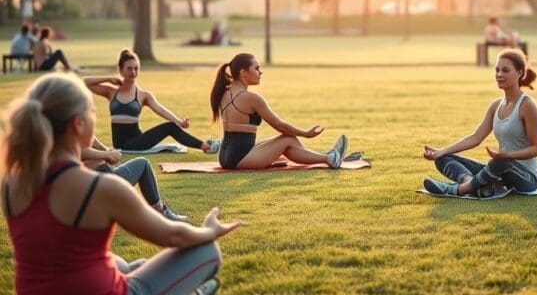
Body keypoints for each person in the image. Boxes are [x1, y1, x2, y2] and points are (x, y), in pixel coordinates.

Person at [0, 73, 240, 295]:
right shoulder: (101, 188)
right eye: (92, 113)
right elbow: (174, 235)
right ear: (78, 124)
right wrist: (210, 231)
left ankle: (171, 291)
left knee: (124, 264)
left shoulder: (11, 184)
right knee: (206, 251)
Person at [422, 48, 537, 196]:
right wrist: (440, 151)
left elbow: (536, 148)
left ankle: (459, 189)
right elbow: (475, 138)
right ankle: (476, 185)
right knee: (443, 159)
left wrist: (508, 155)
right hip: (500, 172)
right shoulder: (496, 105)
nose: (499, 75)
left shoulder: (527, 106)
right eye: (497, 70)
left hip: (527, 178)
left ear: (519, 73)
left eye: (505, 70)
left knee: (500, 162)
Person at [209, 53, 348, 170]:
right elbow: (280, 126)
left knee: (287, 142)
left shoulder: (223, 93)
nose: (260, 72)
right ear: (243, 73)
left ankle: (326, 156)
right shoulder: (251, 98)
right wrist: (306, 134)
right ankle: (330, 158)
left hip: (226, 157)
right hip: (240, 158)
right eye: (256, 68)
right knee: (287, 139)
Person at [84, 49, 219, 153]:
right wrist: (108, 79)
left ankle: (204, 146)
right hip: (120, 144)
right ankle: (206, 145)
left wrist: (179, 121)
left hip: (136, 141)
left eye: (136, 68)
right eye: (129, 68)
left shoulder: (143, 95)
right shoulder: (111, 92)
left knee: (170, 127)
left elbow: (160, 109)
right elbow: (85, 83)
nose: (133, 72)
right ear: (120, 70)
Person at [83, 137, 187, 221]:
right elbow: (77, 151)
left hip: (99, 178)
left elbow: (89, 138)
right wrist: (106, 154)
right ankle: (160, 213)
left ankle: (159, 212)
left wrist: (108, 151)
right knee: (143, 164)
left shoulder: (76, 119)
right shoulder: (72, 118)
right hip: (99, 182)